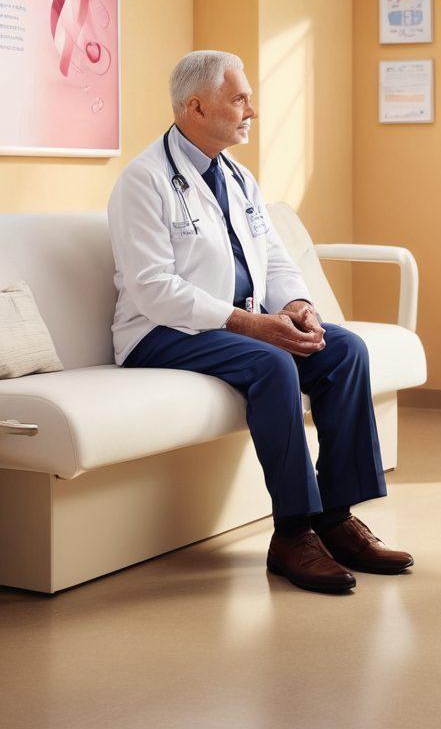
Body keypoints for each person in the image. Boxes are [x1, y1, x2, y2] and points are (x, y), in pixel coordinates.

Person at [108, 50, 412, 594]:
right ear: (196, 107)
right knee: (273, 362)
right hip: (160, 332)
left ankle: (335, 518)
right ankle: (293, 533)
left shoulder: (239, 175)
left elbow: (272, 257)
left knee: (343, 351)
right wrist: (246, 324)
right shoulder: (144, 180)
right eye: (240, 99)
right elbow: (151, 288)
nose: (253, 110)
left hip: (230, 325)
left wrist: (297, 306)